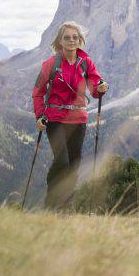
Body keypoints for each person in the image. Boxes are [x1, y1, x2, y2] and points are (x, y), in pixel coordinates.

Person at [32, 21, 108, 209]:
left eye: (75, 37)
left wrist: (100, 88)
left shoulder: (86, 63)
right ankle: (52, 203)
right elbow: (38, 92)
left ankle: (66, 206)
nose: (71, 40)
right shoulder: (51, 64)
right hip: (55, 119)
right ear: (60, 41)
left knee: (73, 164)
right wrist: (40, 115)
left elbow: (95, 89)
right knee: (62, 161)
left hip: (78, 120)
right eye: (67, 37)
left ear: (80, 40)